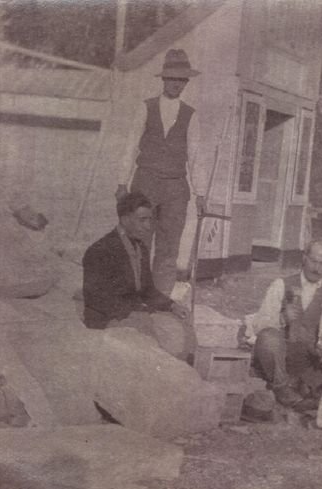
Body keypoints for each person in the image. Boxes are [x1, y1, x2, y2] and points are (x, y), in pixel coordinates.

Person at [116, 48, 205, 298]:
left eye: (181, 79)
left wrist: (201, 193)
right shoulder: (146, 108)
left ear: (186, 82)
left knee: (169, 246)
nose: (176, 84)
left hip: (176, 188)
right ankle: (133, 294)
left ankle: (160, 297)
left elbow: (196, 155)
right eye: (172, 78)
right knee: (138, 239)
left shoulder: (191, 115)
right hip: (146, 182)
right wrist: (122, 182)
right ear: (164, 79)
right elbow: (130, 145)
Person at [82, 191, 196, 360]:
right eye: (142, 219)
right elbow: (95, 298)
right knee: (151, 336)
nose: (148, 226)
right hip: (108, 319)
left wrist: (172, 306)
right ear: (125, 219)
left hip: (134, 314)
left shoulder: (139, 247)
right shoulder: (100, 250)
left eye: (150, 220)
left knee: (182, 322)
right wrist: (133, 312)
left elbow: (148, 291)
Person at [251, 240, 322, 407]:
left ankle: (308, 385)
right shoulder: (281, 285)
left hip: (307, 359)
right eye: (313, 261)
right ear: (304, 258)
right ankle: (283, 387)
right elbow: (260, 325)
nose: (316, 268)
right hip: (281, 356)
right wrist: (282, 319)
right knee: (267, 338)